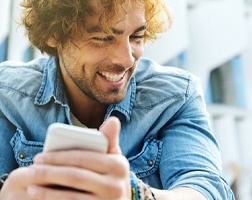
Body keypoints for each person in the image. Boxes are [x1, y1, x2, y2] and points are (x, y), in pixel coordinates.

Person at [0, 0, 235, 199]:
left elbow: (205, 189)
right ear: (55, 33)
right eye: (103, 37)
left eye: (137, 36)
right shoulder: (6, 94)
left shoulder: (176, 96)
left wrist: (135, 193)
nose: (127, 59)